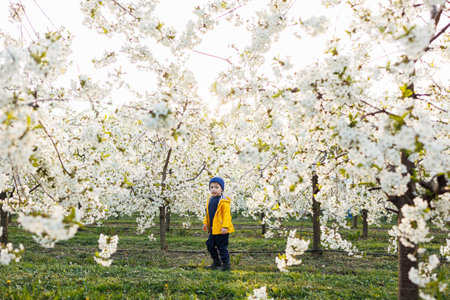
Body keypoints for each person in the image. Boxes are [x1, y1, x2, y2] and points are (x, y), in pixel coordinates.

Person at [202, 176, 234, 271]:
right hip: (213, 229)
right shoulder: (210, 199)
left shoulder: (224, 202)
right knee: (210, 244)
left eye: (216, 187)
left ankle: (226, 265)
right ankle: (216, 262)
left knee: (222, 248)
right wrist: (205, 223)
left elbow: (227, 216)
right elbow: (208, 213)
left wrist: (225, 227)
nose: (213, 189)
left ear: (222, 189)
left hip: (221, 230)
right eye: (211, 187)